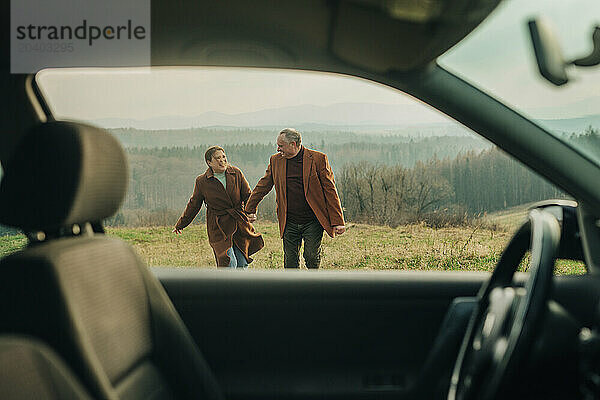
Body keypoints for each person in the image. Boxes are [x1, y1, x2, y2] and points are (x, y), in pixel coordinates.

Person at [245, 128, 345, 269]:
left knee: (311, 257)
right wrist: (249, 208)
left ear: (293, 144)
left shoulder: (318, 159)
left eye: (281, 146)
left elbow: (330, 191)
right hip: (289, 221)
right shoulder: (276, 161)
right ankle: (293, 289)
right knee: (290, 261)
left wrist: (337, 221)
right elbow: (263, 186)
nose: (278, 149)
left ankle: (313, 286)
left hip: (313, 220)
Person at [173, 146, 264, 268]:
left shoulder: (236, 173)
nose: (222, 161)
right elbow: (194, 205)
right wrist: (181, 224)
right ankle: (227, 287)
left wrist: (250, 212)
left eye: (224, 157)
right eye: (217, 158)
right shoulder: (202, 181)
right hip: (219, 227)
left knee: (241, 263)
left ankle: (242, 287)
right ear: (209, 162)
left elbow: (248, 195)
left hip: (239, 224)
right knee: (229, 262)